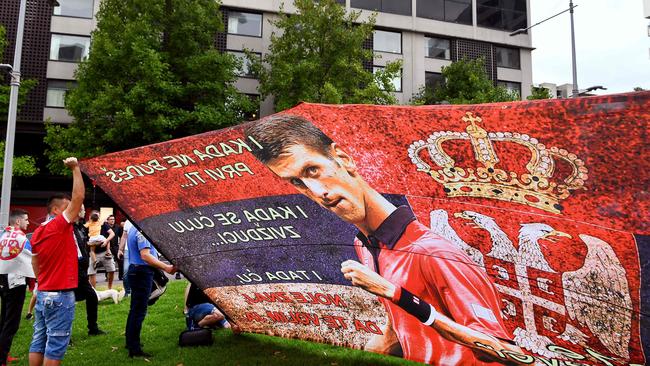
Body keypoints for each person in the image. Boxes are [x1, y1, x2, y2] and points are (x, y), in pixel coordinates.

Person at [245, 116, 524, 365]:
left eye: (312, 170)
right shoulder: (365, 246)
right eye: (297, 182)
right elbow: (400, 327)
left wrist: (397, 294)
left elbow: (503, 352)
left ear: (343, 158)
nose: (317, 191)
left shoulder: (432, 253)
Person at [28, 157, 84, 366]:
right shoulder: (58, 226)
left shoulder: (37, 232)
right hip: (60, 295)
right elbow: (78, 197)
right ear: (55, 211)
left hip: (43, 292)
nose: (74, 211)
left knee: (39, 340)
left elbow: (35, 262)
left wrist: (40, 281)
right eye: (68, 208)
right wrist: (75, 169)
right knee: (56, 343)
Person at [125, 226, 176, 358]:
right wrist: (167, 268)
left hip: (136, 270)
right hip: (142, 272)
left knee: (134, 310)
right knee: (139, 311)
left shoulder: (132, 227)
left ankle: (131, 343)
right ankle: (134, 350)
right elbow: (145, 255)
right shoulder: (141, 229)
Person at [0, 209, 34, 366]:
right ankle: (2, 358)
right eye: (26, 220)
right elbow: (31, 261)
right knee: (11, 323)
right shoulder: (22, 238)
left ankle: (3, 355)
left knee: (4, 319)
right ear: (18, 221)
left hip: (3, 280)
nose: (28, 222)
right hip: (16, 282)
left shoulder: (3, 235)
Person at [72, 205, 105, 336]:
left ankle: (93, 328)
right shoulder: (70, 228)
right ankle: (64, 333)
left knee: (91, 296)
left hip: (81, 271)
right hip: (73, 271)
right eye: (82, 208)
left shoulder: (80, 227)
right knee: (68, 301)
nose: (85, 211)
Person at [85, 211, 116, 289]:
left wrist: (106, 241)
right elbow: (85, 238)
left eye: (98, 216)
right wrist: (90, 243)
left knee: (111, 270)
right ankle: (94, 292)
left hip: (104, 251)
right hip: (93, 252)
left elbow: (112, 234)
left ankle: (109, 288)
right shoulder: (88, 225)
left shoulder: (103, 224)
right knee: (91, 273)